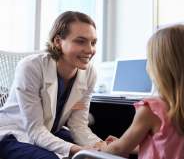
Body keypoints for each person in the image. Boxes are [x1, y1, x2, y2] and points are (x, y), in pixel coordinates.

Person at [0, 11, 106, 159]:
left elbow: (78, 125)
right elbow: (35, 129)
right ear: (58, 41)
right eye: (80, 41)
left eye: (93, 42)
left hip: (50, 131)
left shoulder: (89, 74)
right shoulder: (31, 67)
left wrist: (101, 147)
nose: (90, 50)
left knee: (95, 156)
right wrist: (79, 150)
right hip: (14, 133)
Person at [102, 24, 184, 159]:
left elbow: (119, 148)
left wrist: (104, 148)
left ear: (158, 66)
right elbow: (165, 145)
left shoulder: (152, 109)